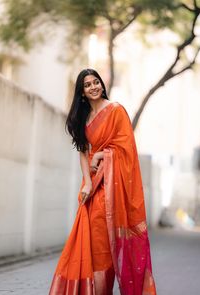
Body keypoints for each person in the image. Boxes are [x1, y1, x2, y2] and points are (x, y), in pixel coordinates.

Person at [49, 69, 157, 295]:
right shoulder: (84, 118)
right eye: (87, 85)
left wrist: (101, 155)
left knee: (102, 249)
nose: (93, 87)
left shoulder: (116, 111)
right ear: (82, 92)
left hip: (111, 190)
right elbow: (82, 152)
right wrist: (87, 182)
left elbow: (126, 149)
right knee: (86, 246)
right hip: (91, 190)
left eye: (96, 82)